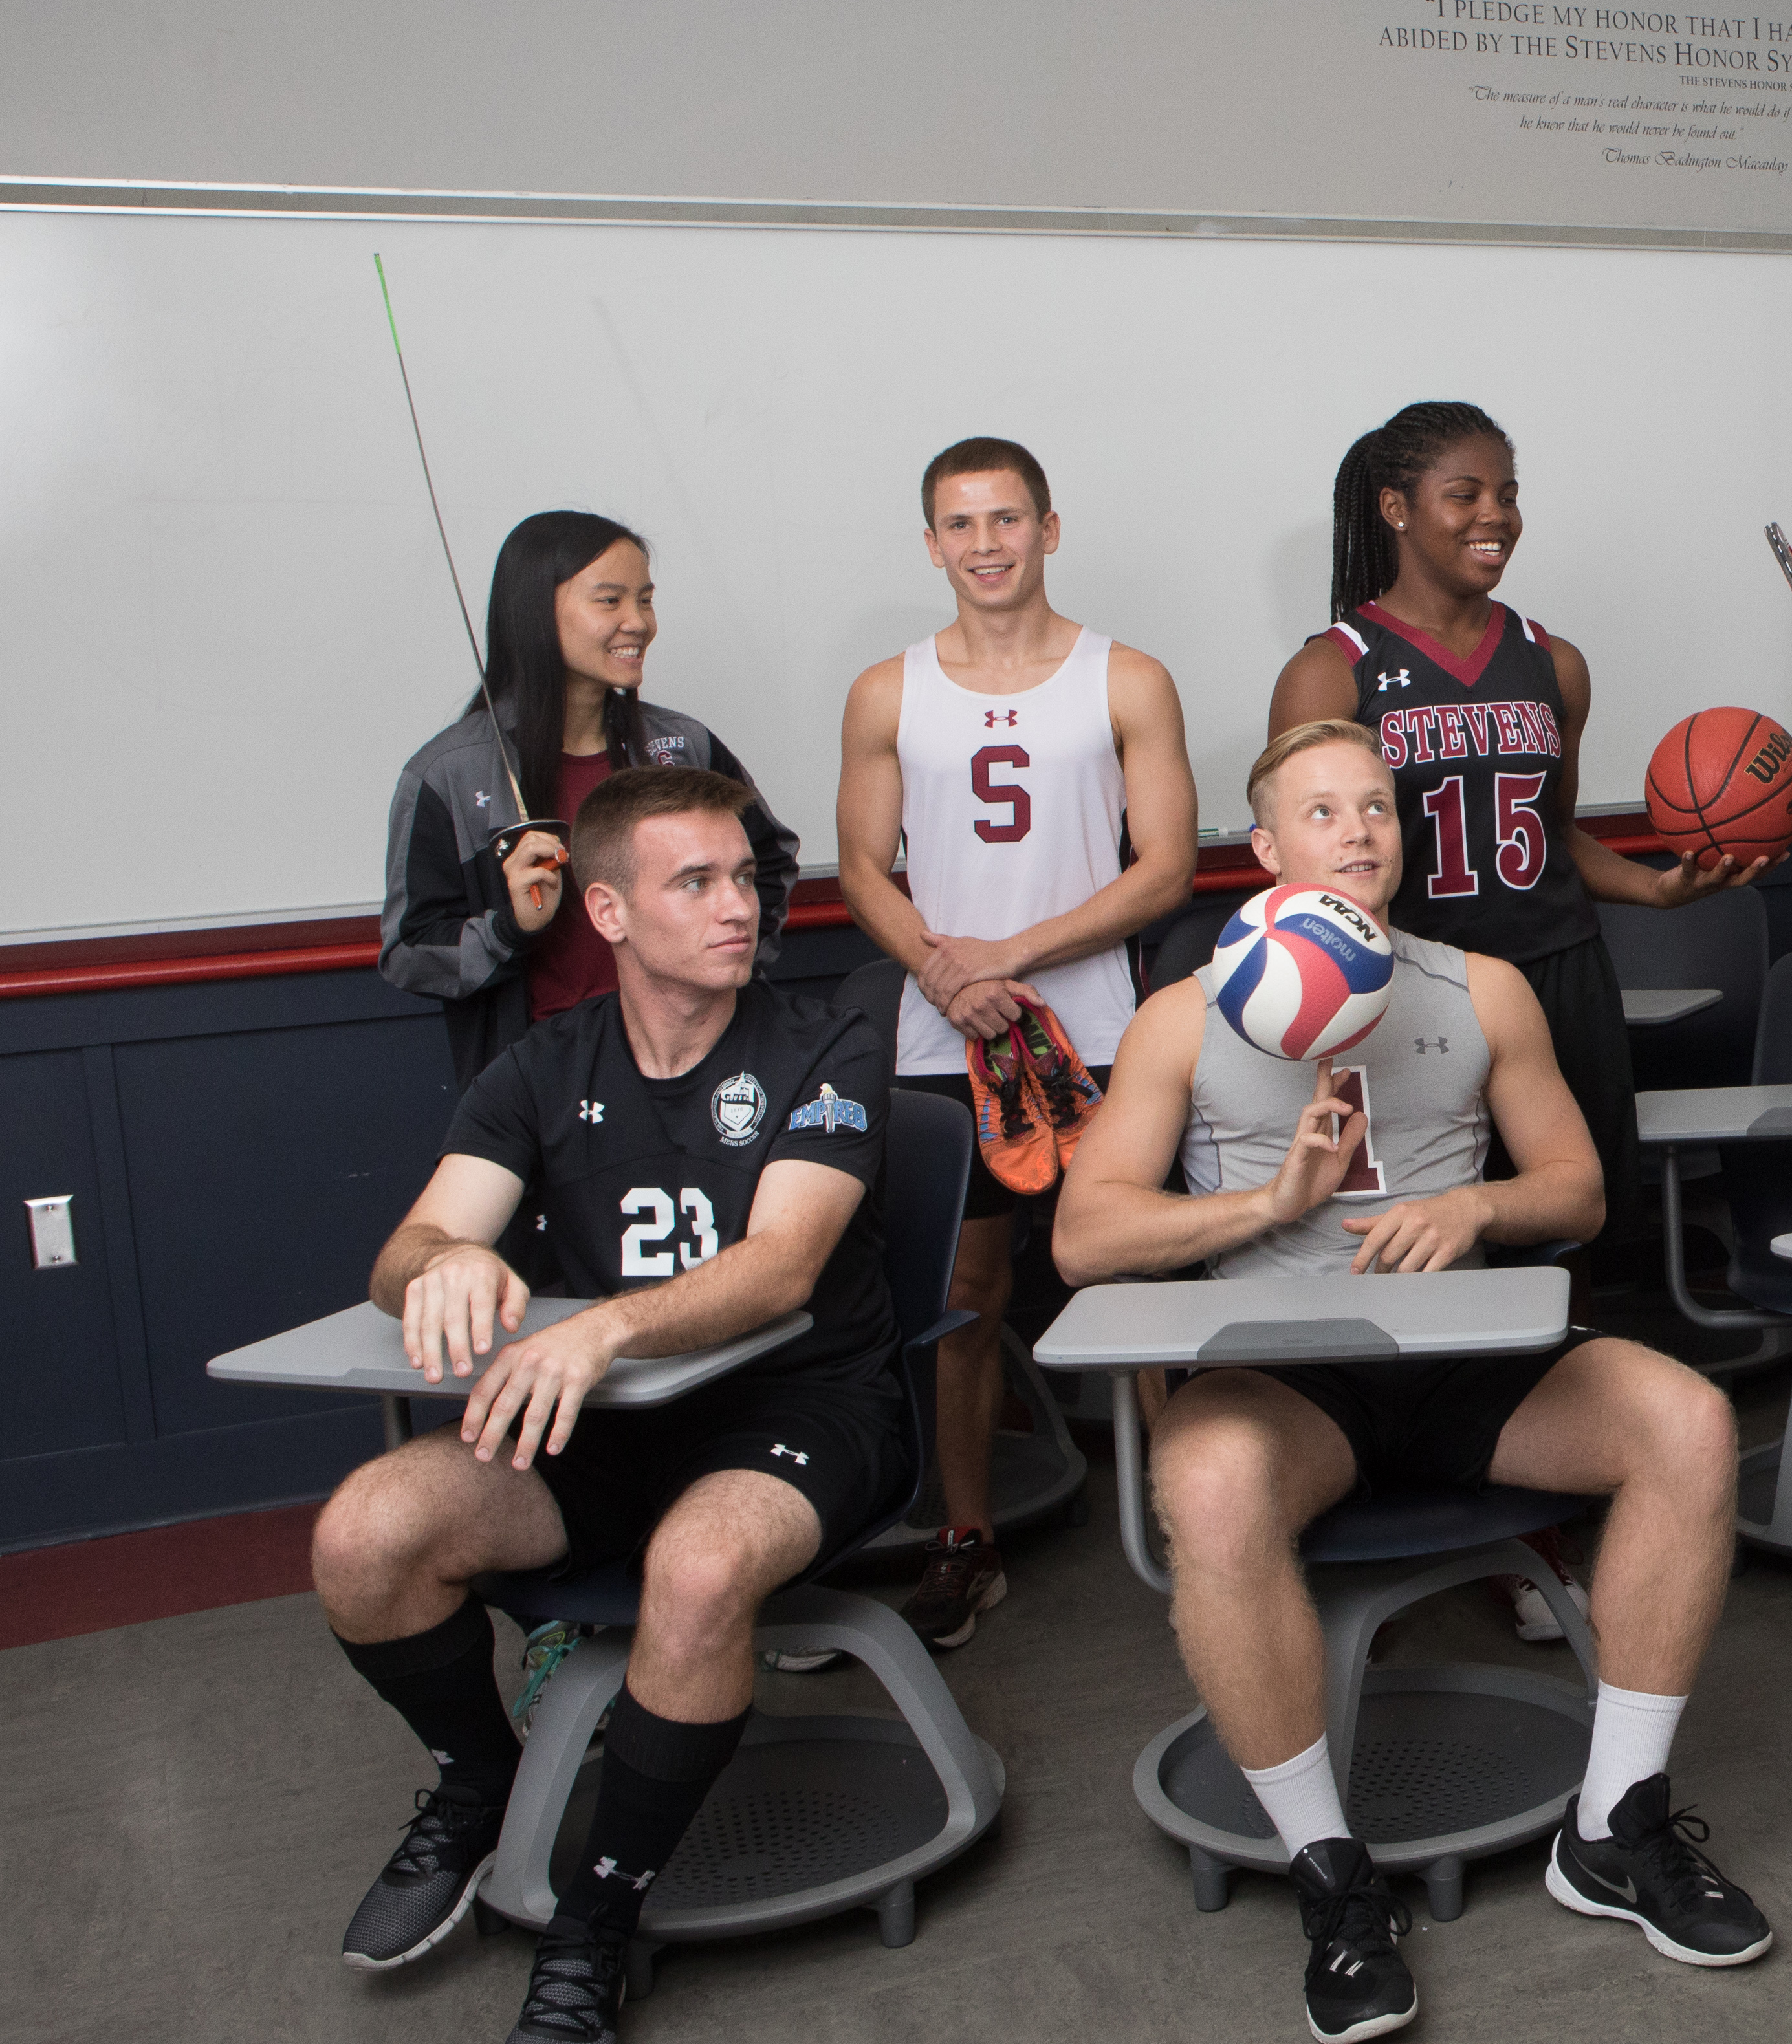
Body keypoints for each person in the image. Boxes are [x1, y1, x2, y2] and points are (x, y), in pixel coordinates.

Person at [1054, 720, 1767, 2042]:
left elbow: (1578, 1185)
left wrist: (1478, 1206)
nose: (1359, 829)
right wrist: (1265, 1204)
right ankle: (1334, 1881)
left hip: (1467, 1358)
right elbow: (1084, 1233)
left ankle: (1618, 1825)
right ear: (1265, 847)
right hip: (1286, 1380)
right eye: (1321, 811)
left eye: (1376, 805)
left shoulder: (1483, 985)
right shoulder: (1182, 1013)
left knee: (1688, 1417)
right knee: (1207, 1479)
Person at [312, 766, 908, 2043]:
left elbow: (781, 1262)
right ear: (609, 910)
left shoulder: (830, 1034)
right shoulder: (543, 1066)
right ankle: (481, 1785)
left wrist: (601, 1325)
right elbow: (404, 1252)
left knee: (697, 1569)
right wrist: (452, 1261)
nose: (737, 905)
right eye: (695, 881)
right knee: (366, 1530)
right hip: (598, 1429)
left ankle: (595, 1914)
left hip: (803, 1414)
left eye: (744, 876)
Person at [834, 437, 1197, 1651]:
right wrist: (946, 968)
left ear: (1050, 527)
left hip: (1093, 1029)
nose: (985, 544)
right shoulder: (887, 690)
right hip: (945, 1039)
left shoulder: (1126, 678)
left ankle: (1197, 1519)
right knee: (965, 1295)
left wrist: (1011, 955)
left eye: (1006, 519)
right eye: (959, 523)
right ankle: (966, 1540)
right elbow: (857, 867)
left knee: (1136, 1271)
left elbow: (1168, 867)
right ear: (930, 542)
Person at [1268, 400, 1770, 1268]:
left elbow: (1555, 833)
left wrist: (1658, 889)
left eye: (1506, 493)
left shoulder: (1553, 662)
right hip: (1414, 987)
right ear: (1397, 510)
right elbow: (1299, 877)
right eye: (1463, 495)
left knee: (1576, 1235)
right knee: (1428, 1240)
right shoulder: (1328, 671)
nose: (1494, 515)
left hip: (1560, 974)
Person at [380, 510, 796, 1090]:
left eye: (645, 600)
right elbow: (409, 952)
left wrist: (730, 970)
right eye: (610, 601)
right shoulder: (448, 772)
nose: (639, 623)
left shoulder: (685, 745)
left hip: (706, 1067)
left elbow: (770, 859)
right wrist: (508, 930)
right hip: (545, 1081)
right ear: (535, 613)